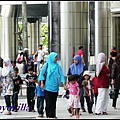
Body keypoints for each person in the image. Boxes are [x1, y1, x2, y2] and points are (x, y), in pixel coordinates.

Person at [38, 52, 67, 118]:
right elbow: (42, 74)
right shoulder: (46, 65)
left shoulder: (58, 66)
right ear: (52, 58)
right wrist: (42, 83)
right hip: (47, 87)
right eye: (55, 57)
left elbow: (61, 75)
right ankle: (49, 115)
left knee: (53, 102)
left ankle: (53, 115)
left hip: (55, 87)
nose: (57, 58)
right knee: (48, 102)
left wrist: (64, 84)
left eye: (57, 57)